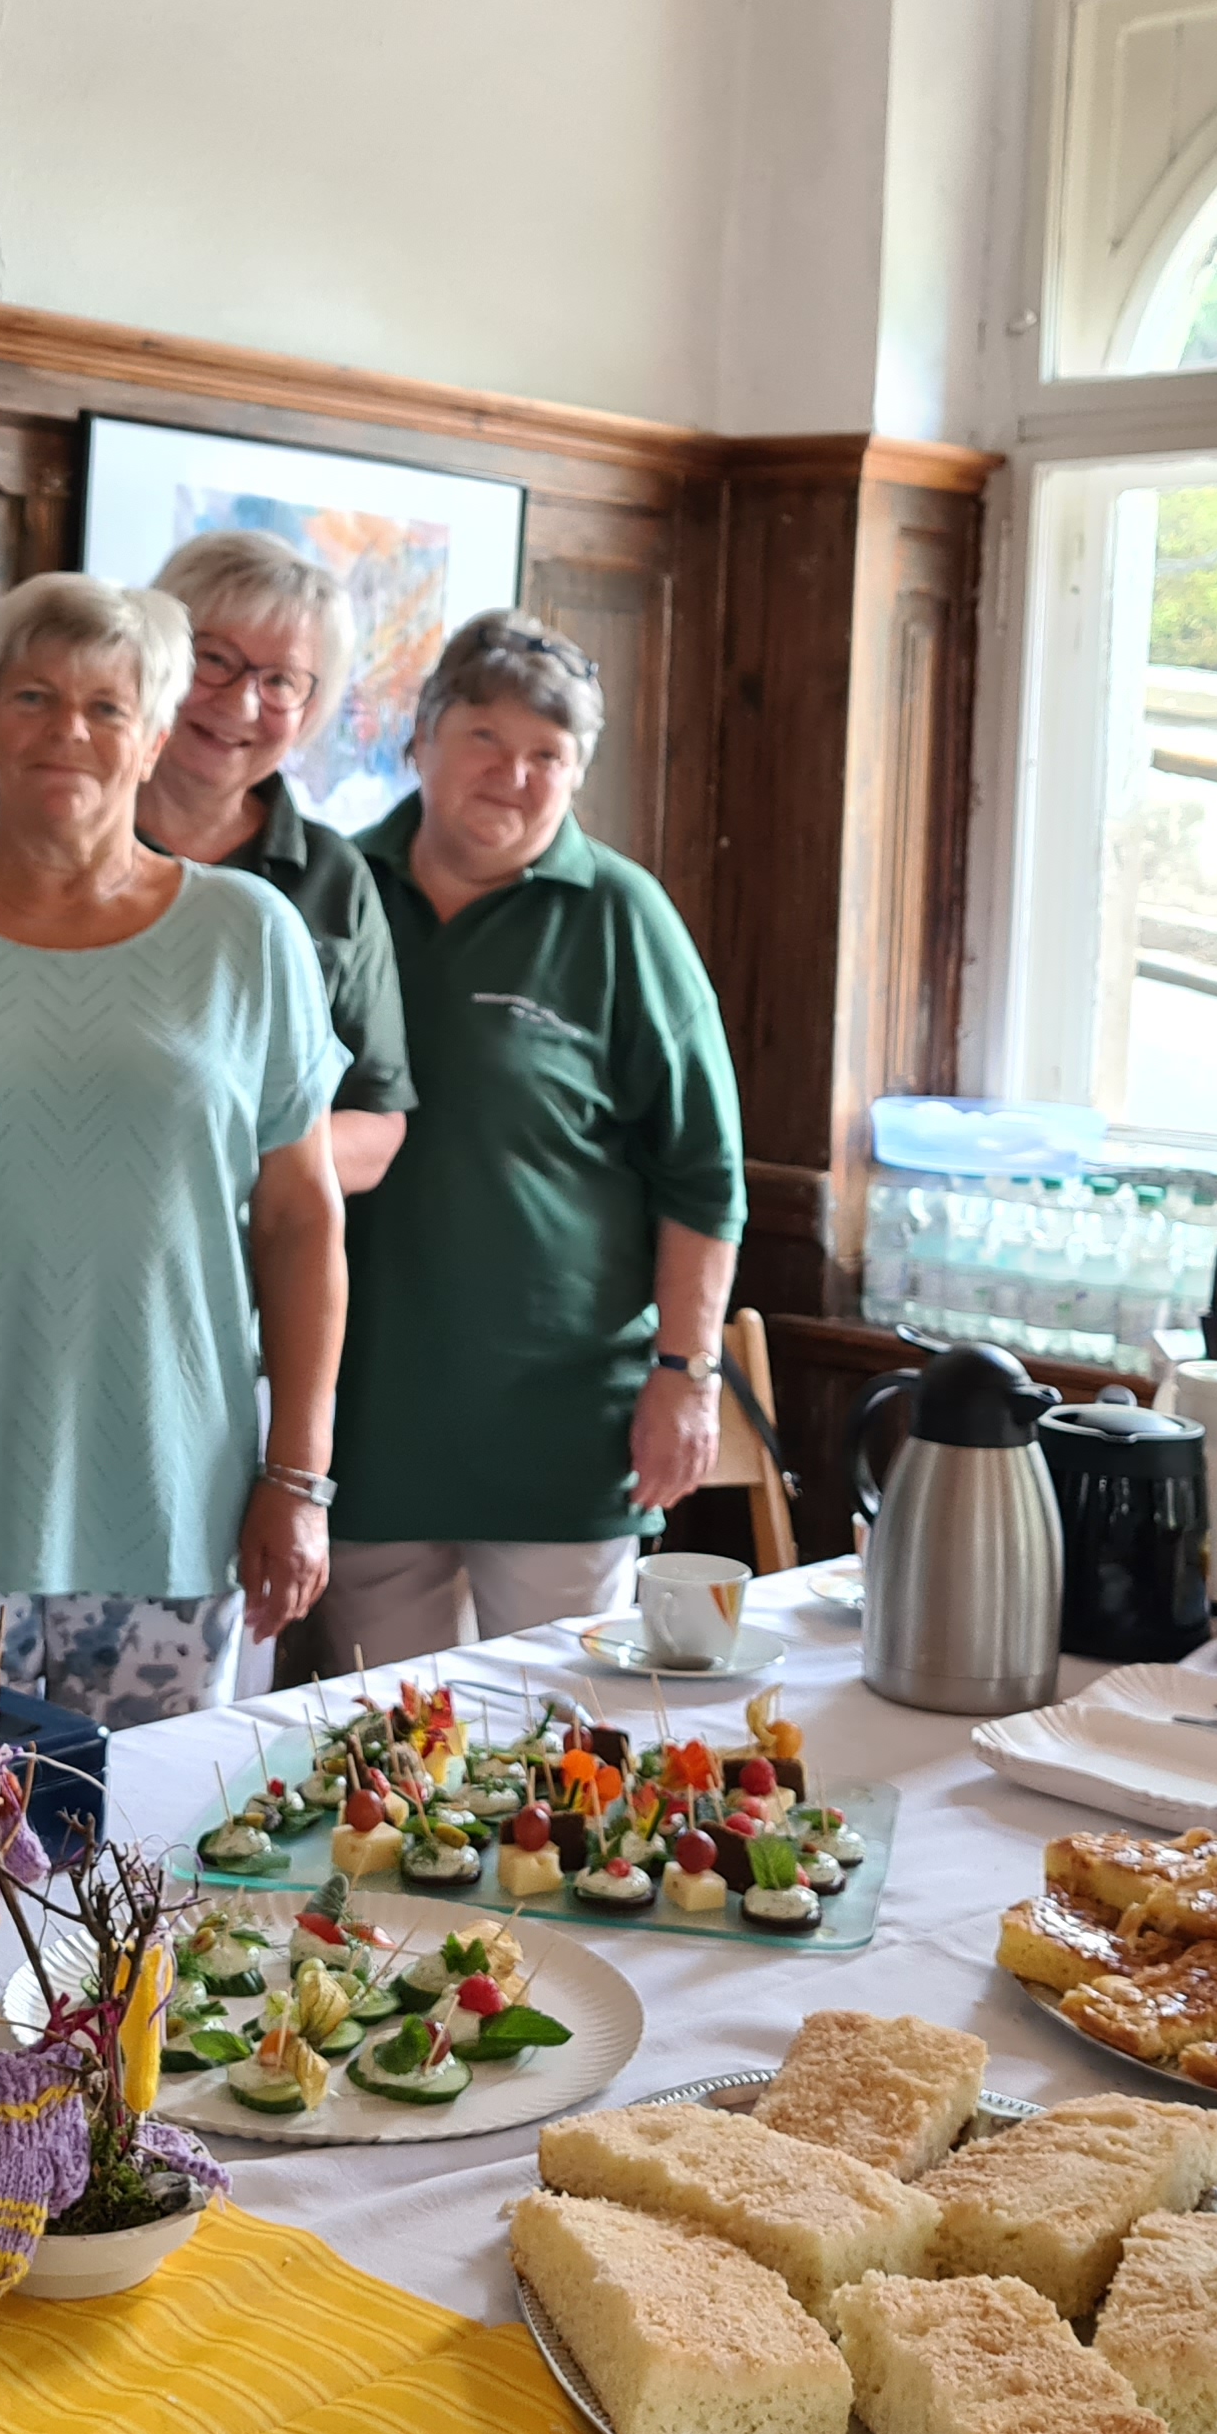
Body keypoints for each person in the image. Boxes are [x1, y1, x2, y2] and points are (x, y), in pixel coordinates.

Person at [0, 573, 347, 1726]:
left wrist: (298, 1479)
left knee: (140, 1888)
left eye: (109, 708)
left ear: (155, 738)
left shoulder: (249, 935)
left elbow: (302, 1219)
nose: (70, 733)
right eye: (36, 696)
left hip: (171, 1507)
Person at [316, 609, 747, 1667]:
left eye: (547, 755)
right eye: (484, 740)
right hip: (362, 1420)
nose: (512, 775)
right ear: (420, 740)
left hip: (566, 1434)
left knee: (559, 1753)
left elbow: (705, 1173)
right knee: (390, 1757)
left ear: (578, 773)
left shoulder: (621, 915)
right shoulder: (332, 889)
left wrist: (686, 1378)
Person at [0, 527, 412, 1191]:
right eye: (214, 660)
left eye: (281, 680)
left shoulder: (334, 877)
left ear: (311, 710)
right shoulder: (10, 812)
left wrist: (195, 1161)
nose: (242, 702)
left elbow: (376, 1122)